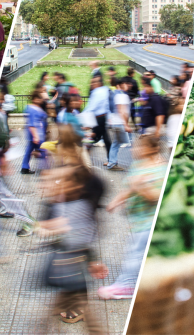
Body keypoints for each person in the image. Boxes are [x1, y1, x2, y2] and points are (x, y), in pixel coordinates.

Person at [39, 163, 107, 331]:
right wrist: (45, 227)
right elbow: (48, 225)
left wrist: (93, 261)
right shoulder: (57, 204)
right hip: (62, 266)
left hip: (73, 268)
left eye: (59, 181)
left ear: (75, 185)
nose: (52, 184)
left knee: (81, 308)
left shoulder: (80, 206)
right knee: (61, 304)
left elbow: (82, 238)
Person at [99, 135, 164, 300]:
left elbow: (155, 196)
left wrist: (140, 187)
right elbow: (129, 188)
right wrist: (115, 202)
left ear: (151, 149)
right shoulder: (137, 165)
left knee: (134, 254)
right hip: (138, 221)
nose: (133, 150)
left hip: (149, 222)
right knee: (138, 253)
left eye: (138, 147)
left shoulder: (160, 169)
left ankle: (125, 285)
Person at [106, 78, 131, 171]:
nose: (128, 86)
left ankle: (112, 162)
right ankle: (112, 163)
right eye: (125, 84)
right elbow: (122, 111)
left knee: (116, 143)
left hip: (115, 122)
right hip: (120, 123)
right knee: (124, 143)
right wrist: (126, 125)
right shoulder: (121, 95)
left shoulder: (115, 94)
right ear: (120, 85)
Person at [84, 75, 112, 155]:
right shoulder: (104, 90)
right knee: (104, 138)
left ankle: (83, 153)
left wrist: (83, 119)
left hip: (98, 119)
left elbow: (91, 107)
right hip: (101, 118)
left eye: (94, 82)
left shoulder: (97, 92)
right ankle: (111, 160)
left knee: (95, 137)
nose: (92, 84)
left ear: (99, 83)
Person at [21, 88, 47, 174]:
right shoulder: (33, 109)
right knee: (43, 150)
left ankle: (25, 167)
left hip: (36, 134)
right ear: (35, 99)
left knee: (29, 150)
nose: (40, 100)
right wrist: (36, 136)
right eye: (39, 98)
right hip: (36, 134)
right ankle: (44, 168)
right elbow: (32, 124)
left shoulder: (32, 108)